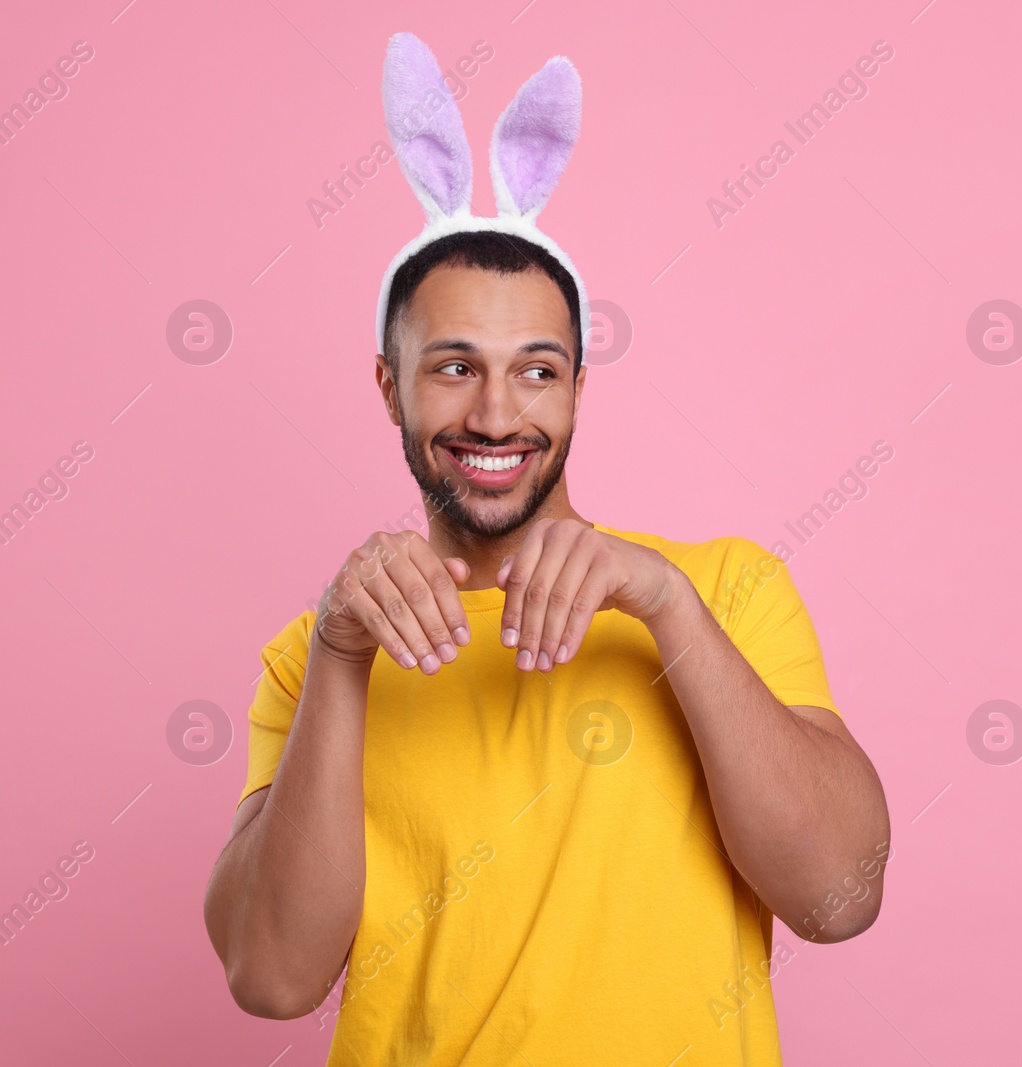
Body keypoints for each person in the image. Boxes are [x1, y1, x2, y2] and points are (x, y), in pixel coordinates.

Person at [202, 33, 890, 1066]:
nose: (494, 413)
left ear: (576, 386)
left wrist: (666, 607)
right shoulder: (313, 654)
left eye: (536, 370)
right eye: (451, 367)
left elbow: (839, 897)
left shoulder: (724, 590)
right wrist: (346, 656)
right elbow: (272, 976)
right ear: (390, 386)